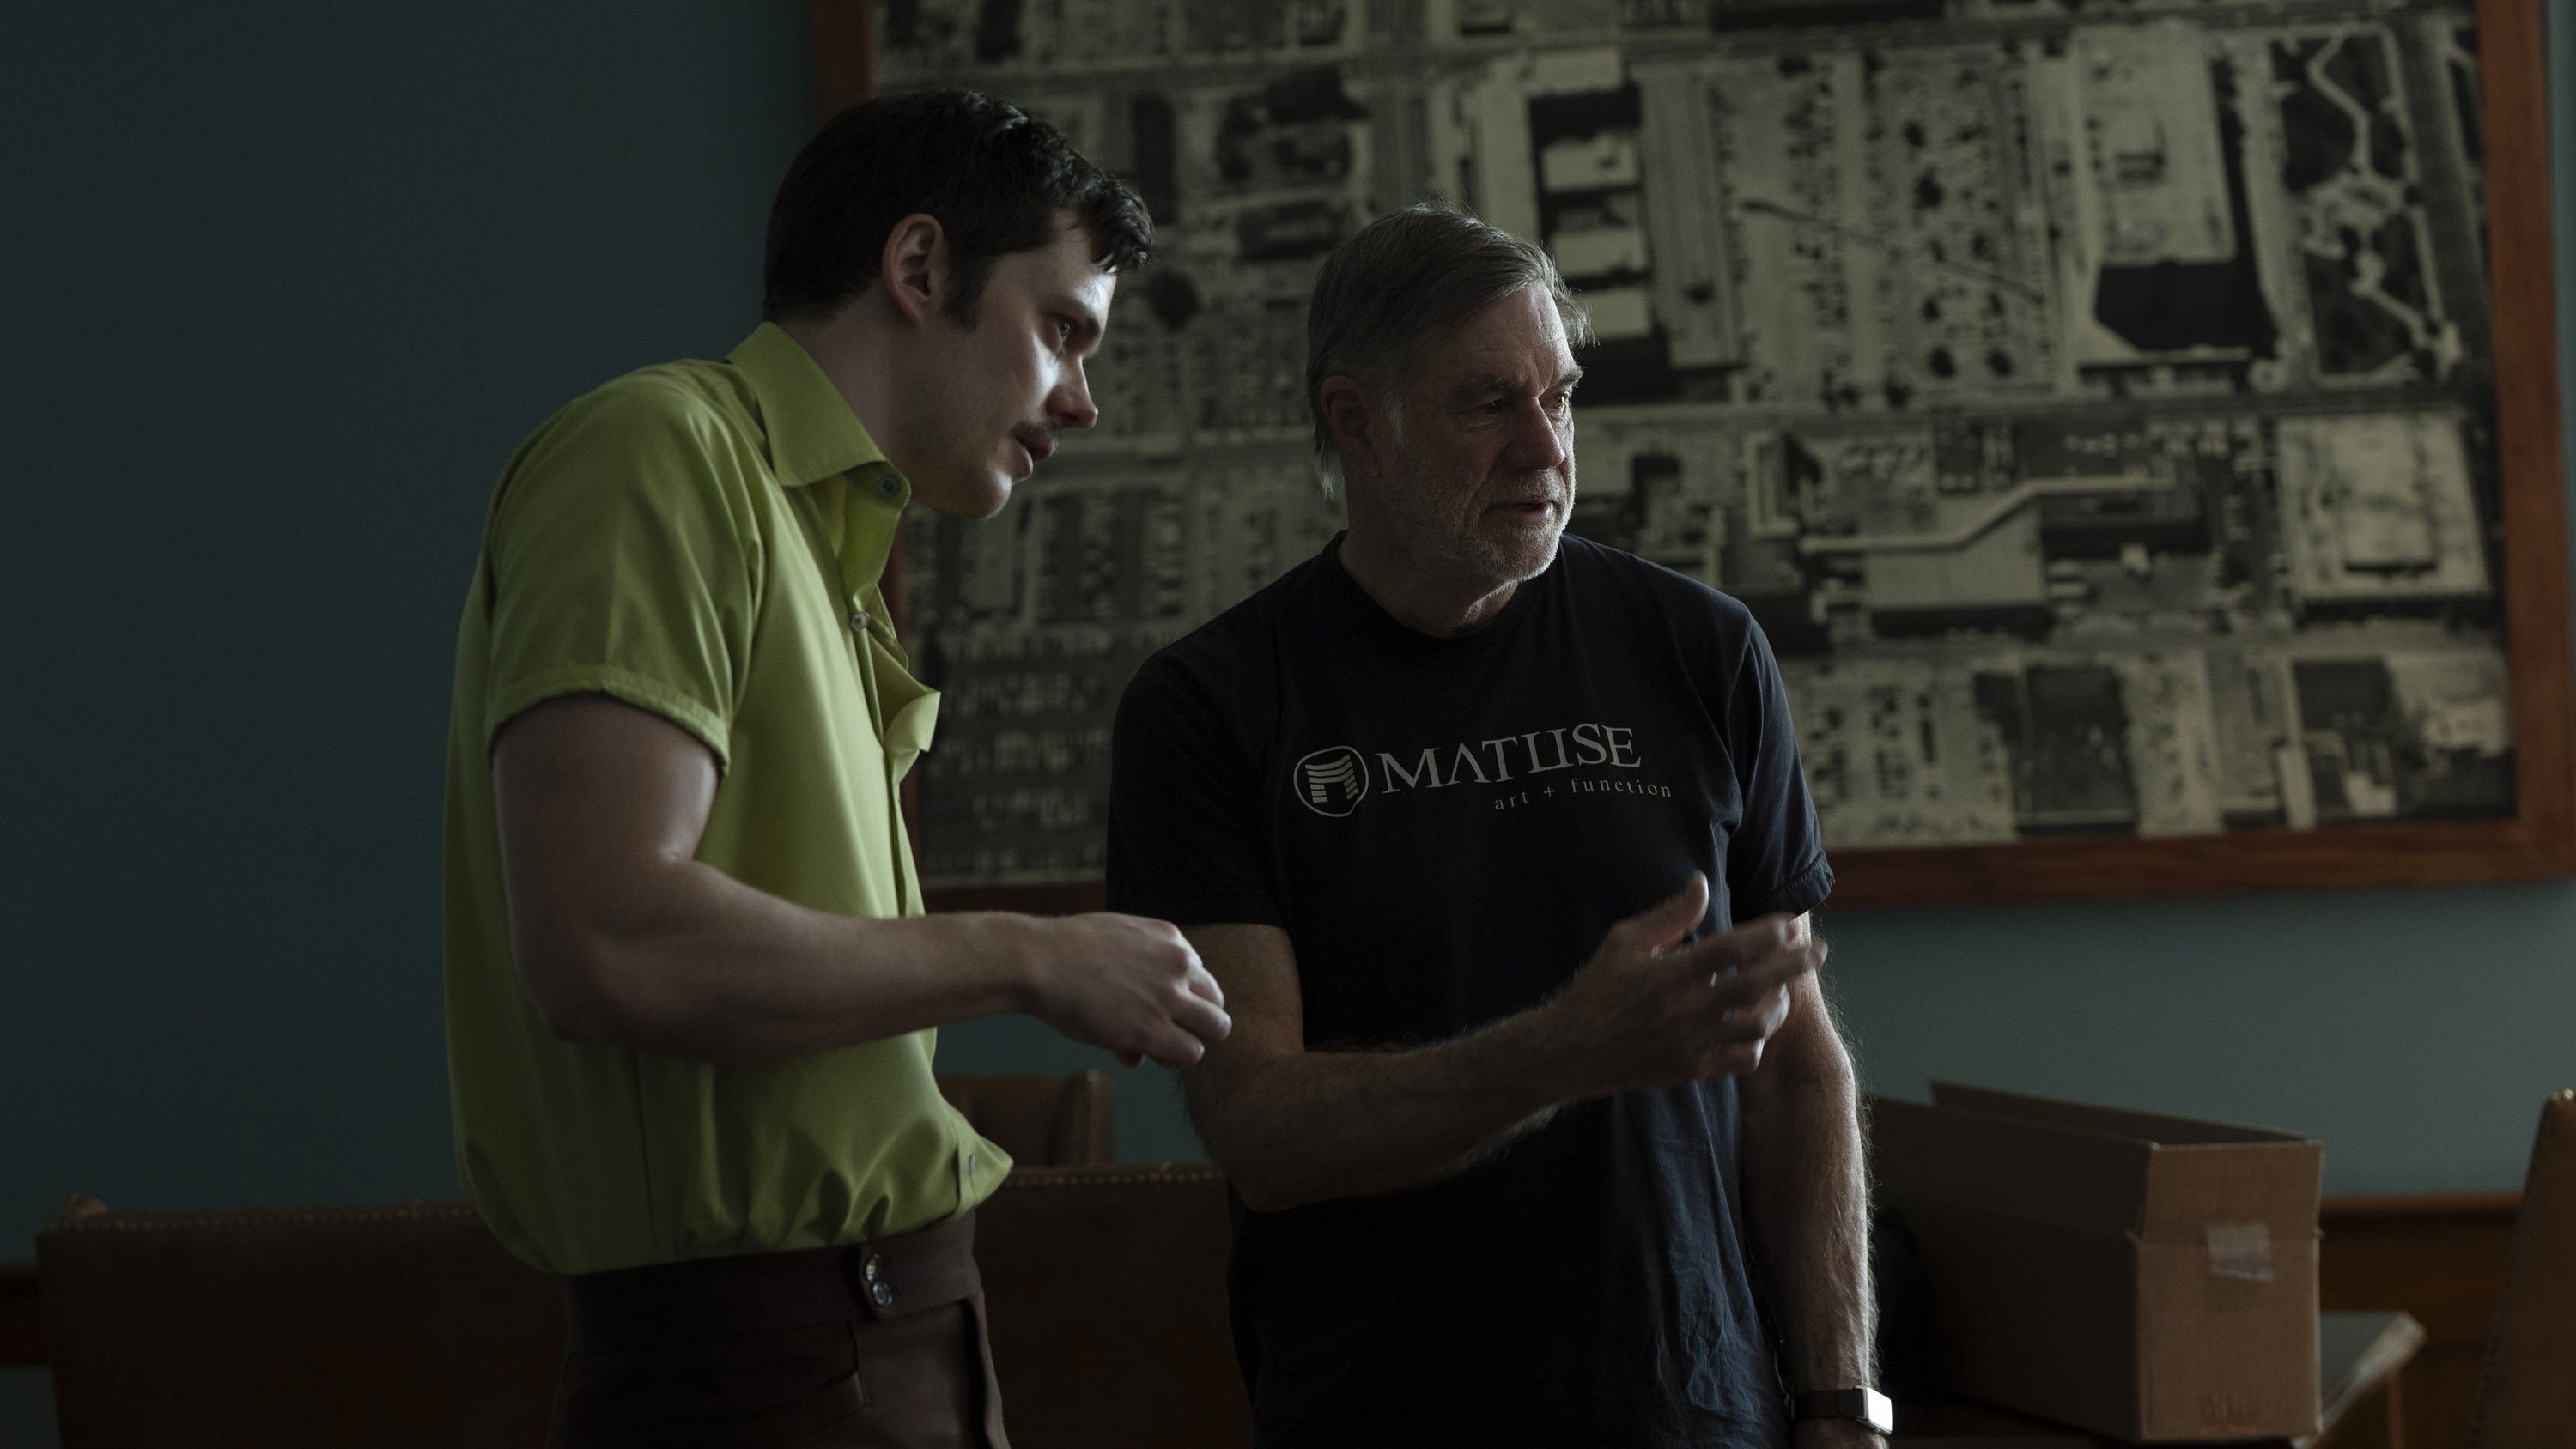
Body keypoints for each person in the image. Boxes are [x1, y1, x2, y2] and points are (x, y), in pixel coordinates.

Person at [441, 89, 1230, 1449]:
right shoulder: (661, 452)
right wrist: (1034, 956)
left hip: (893, 1334)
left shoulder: (826, 547)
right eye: (1061, 330)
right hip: (766, 1365)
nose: (1083, 401)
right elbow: (603, 941)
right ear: (919, 267)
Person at [1106, 202, 1876, 1448]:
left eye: (1559, 397)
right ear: (1357, 421)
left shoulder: (1701, 650)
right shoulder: (1212, 706)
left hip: (1697, 1413)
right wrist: (1568, 1049)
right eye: (1487, 405)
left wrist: (1844, 1403)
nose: (1545, 450)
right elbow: (1260, 1128)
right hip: (1383, 1412)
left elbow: (1797, 1069)